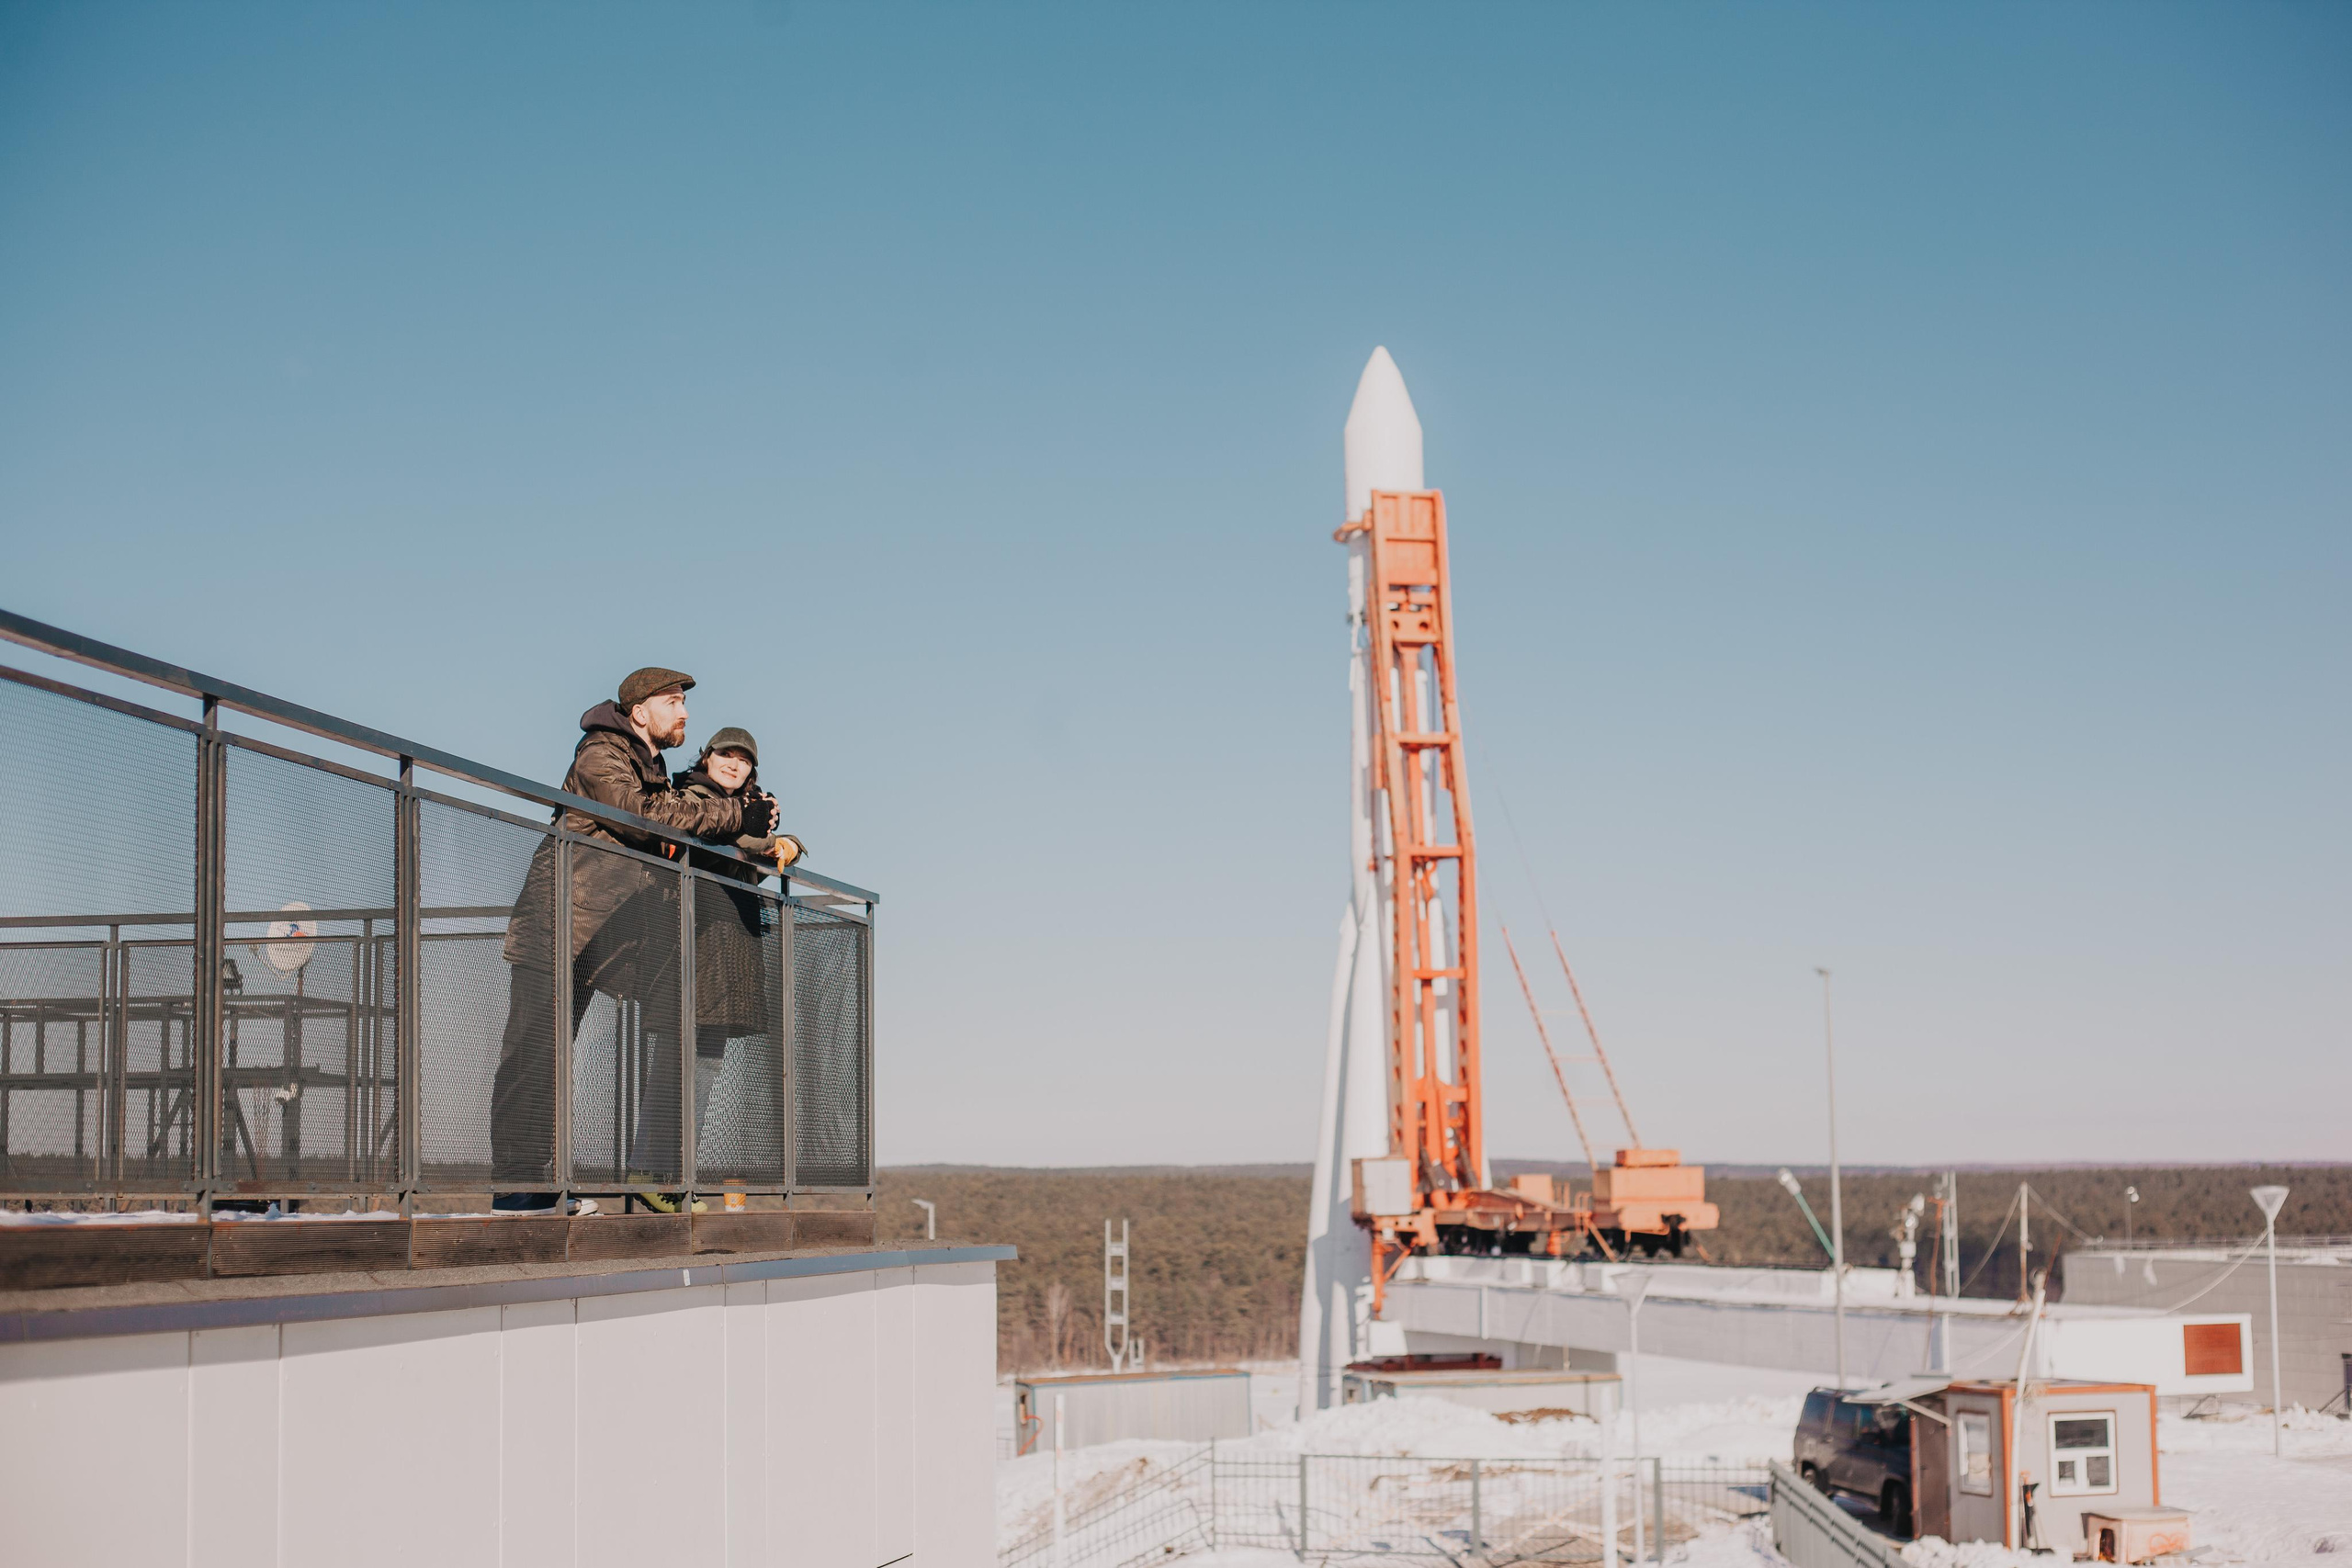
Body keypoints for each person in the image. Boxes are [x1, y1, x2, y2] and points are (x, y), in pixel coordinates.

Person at [491, 669, 774, 1211]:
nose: (684, 713)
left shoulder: (650, 766)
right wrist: (739, 813)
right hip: (558, 926)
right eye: (673, 702)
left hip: (600, 935)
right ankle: (518, 1191)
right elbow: (649, 819)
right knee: (534, 1054)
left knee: (555, 1056)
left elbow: (675, 826)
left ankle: (541, 1184)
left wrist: (758, 830)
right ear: (640, 712)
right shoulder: (601, 754)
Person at [666, 728, 805, 1177]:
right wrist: (770, 841)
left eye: (743, 760)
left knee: (704, 1066)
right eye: (726, 754)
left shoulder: (748, 812)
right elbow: (720, 838)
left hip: (729, 947)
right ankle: (657, 1169)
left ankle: (673, 1170)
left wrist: (788, 845)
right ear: (706, 757)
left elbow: (745, 858)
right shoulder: (691, 796)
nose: (733, 764)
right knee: (676, 1064)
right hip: (693, 940)